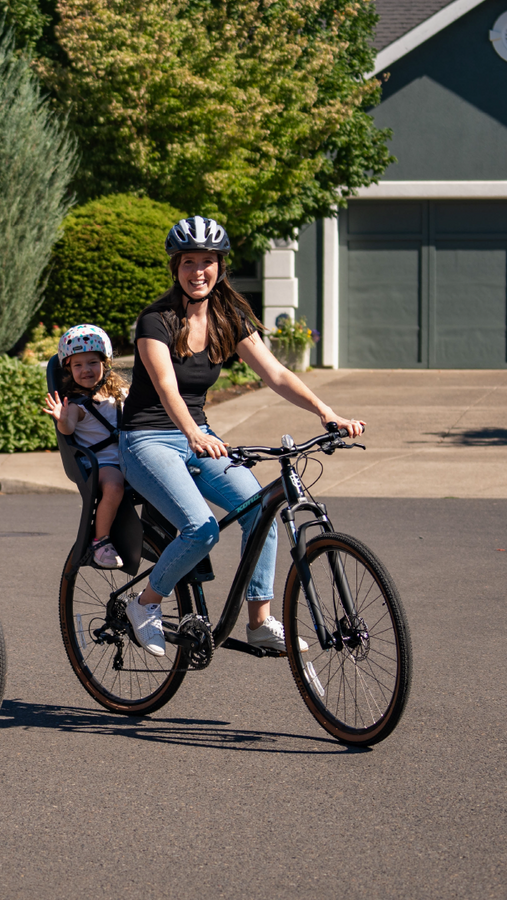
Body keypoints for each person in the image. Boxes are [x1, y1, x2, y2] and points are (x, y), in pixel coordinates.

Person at [119, 216, 365, 657]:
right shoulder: (155, 320)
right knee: (200, 529)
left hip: (198, 436)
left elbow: (275, 373)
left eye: (207, 261)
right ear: (175, 267)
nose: (198, 271)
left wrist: (326, 413)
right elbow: (164, 387)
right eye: (189, 261)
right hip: (148, 440)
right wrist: (193, 432)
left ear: (220, 266)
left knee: (260, 511)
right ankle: (145, 604)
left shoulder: (228, 317)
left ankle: (259, 621)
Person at [43, 324, 129, 569]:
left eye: (92, 362)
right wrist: (62, 419)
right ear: (68, 369)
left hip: (130, 458)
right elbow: (69, 427)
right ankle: (100, 541)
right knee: (114, 486)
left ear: (106, 363)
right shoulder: (75, 405)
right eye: (77, 365)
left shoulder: (122, 393)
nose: (86, 370)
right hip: (103, 464)